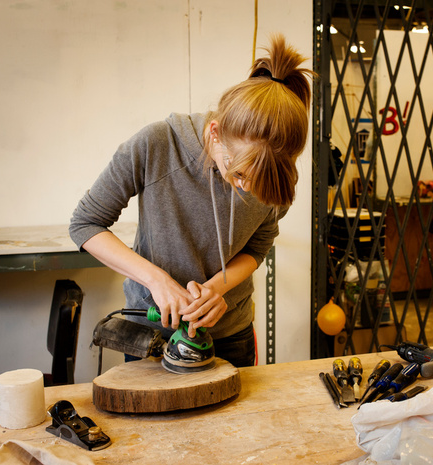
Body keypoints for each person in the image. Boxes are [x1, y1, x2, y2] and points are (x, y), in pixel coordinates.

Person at [69, 34, 313, 368]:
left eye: (260, 182)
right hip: (152, 333)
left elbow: (258, 246)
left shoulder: (275, 174)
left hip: (231, 334)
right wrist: (158, 281)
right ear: (215, 132)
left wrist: (218, 288)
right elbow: (86, 225)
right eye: (239, 174)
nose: (247, 190)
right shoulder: (156, 145)